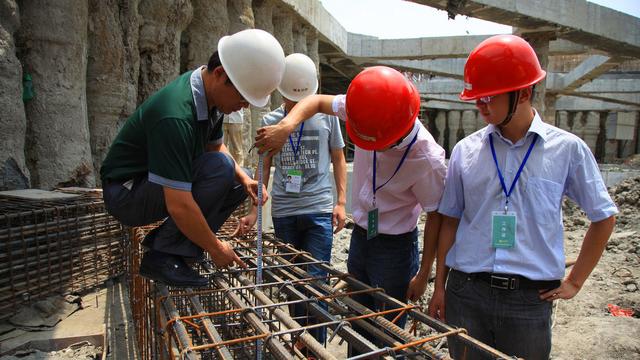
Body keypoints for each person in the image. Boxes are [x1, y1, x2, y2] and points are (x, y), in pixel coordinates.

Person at [428, 35, 618, 359]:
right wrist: (440, 286)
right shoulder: (466, 151)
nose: (480, 105)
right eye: (476, 98)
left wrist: (575, 280)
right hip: (467, 294)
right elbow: (450, 221)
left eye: (487, 97)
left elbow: (603, 217)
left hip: (529, 302)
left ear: (524, 93)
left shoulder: (567, 150)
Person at [255, 66, 446, 353]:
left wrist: (424, 273)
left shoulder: (426, 158)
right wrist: (288, 125)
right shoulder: (366, 106)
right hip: (361, 235)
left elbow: (437, 217)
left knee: (386, 329)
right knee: (358, 319)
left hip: (394, 247)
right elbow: (316, 101)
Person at [100, 29, 285, 287]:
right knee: (221, 169)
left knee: (233, 178)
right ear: (220, 74)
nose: (244, 106)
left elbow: (215, 148)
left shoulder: (211, 100)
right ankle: (162, 257)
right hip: (126, 193)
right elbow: (179, 204)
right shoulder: (175, 115)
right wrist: (217, 249)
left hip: (149, 184)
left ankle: (178, 250)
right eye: (243, 97)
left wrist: (245, 180)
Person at [236, 53, 347, 345]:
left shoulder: (327, 117)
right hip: (284, 211)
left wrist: (341, 202)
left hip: (318, 208)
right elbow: (264, 164)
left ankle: (315, 347)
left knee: (316, 281)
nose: (297, 106)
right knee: (291, 283)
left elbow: (338, 156)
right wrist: (252, 211)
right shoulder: (271, 121)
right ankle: (299, 340)